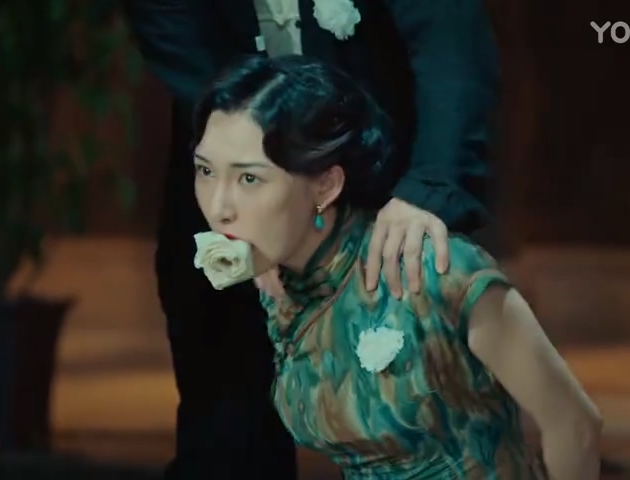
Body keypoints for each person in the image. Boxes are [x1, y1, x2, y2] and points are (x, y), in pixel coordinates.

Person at [125, 0, 501, 477]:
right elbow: (193, 61)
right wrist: (255, 217)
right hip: (233, 212)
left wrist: (429, 190)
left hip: (387, 200)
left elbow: (449, 41)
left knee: (415, 437)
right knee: (228, 441)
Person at [192, 54, 602, 479]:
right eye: (205, 171)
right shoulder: (281, 287)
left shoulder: (432, 269)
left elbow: (575, 426)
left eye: (249, 179)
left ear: (326, 185)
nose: (219, 208)